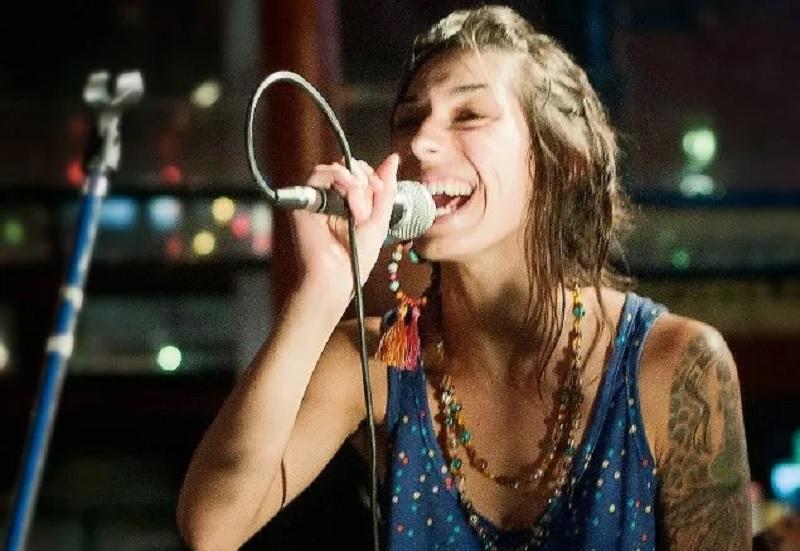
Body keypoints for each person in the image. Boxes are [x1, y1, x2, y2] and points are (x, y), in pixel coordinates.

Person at [177, 5, 752, 550]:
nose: (420, 142)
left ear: (562, 160)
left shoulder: (672, 363)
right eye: (409, 120)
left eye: (469, 115)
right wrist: (323, 288)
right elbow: (211, 526)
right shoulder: (377, 359)